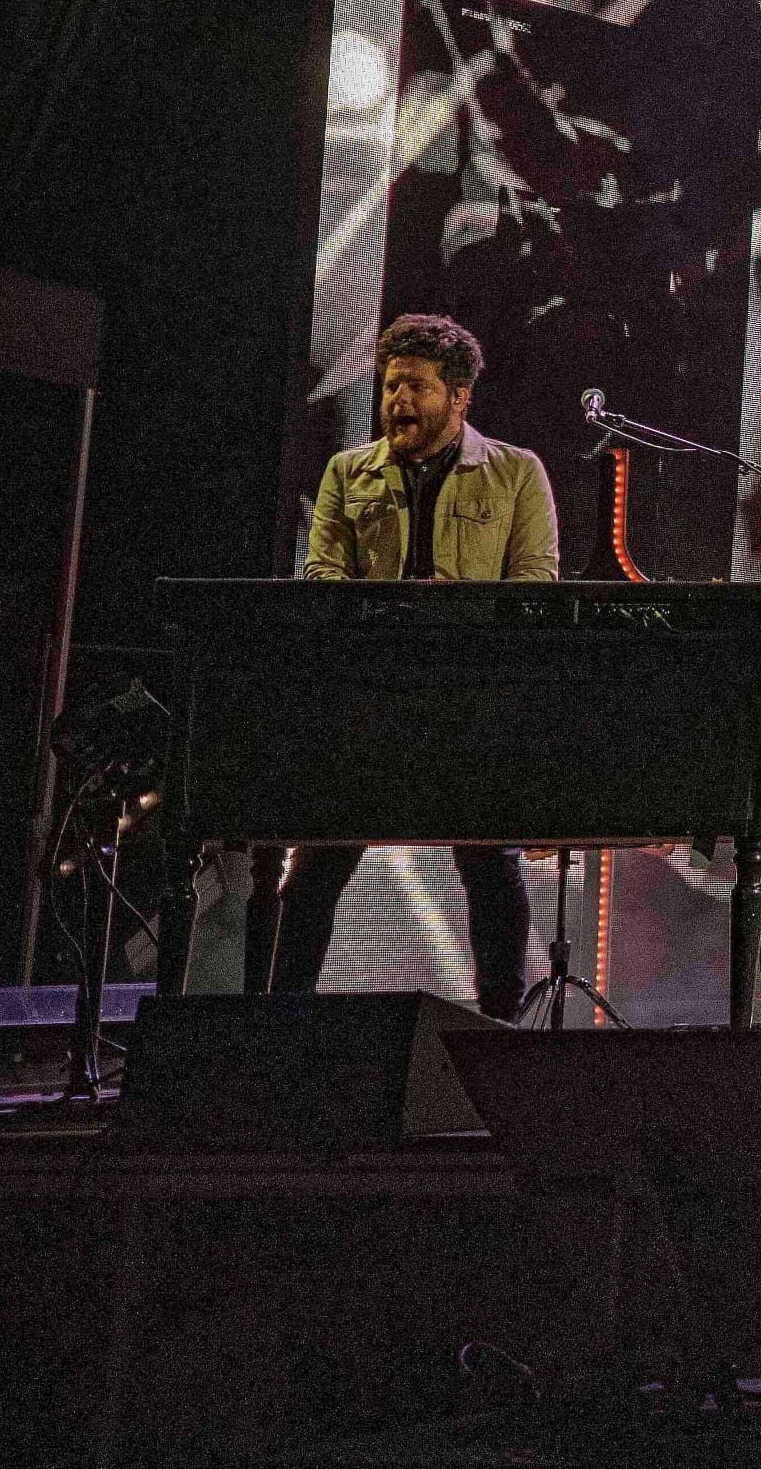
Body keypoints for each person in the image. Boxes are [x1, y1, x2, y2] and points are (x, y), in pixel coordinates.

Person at [264, 312, 558, 1018]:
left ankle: (500, 1027)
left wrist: (457, 610)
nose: (397, 400)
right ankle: (278, 1019)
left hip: (472, 700)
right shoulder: (347, 472)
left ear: (459, 398)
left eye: (416, 387)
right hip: (369, 700)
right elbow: (321, 576)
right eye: (391, 385)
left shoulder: (517, 473)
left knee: (488, 862)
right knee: (317, 864)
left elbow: (535, 587)